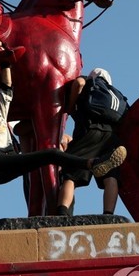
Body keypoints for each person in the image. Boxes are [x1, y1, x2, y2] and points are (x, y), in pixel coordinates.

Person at [56, 68, 126, 216]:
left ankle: (62, 212)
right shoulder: (116, 94)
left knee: (70, 173)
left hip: (89, 132)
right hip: (111, 137)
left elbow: (79, 84)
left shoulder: (90, 82)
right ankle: (108, 215)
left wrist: (70, 107)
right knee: (110, 175)